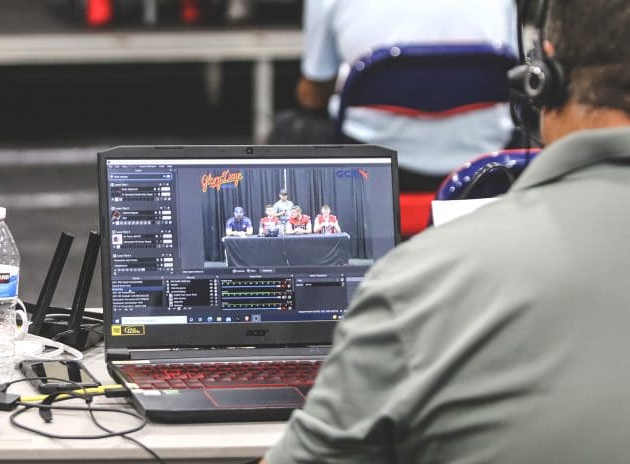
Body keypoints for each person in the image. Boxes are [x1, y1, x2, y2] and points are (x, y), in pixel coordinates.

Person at [261, 1, 630, 462]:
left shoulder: (416, 287)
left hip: (377, 161)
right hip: (479, 156)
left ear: (543, 77)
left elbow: (312, 93)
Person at [293, 0, 518, 191]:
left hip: (375, 170)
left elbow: (314, 94)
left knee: (294, 128)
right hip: (485, 167)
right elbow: (513, 78)